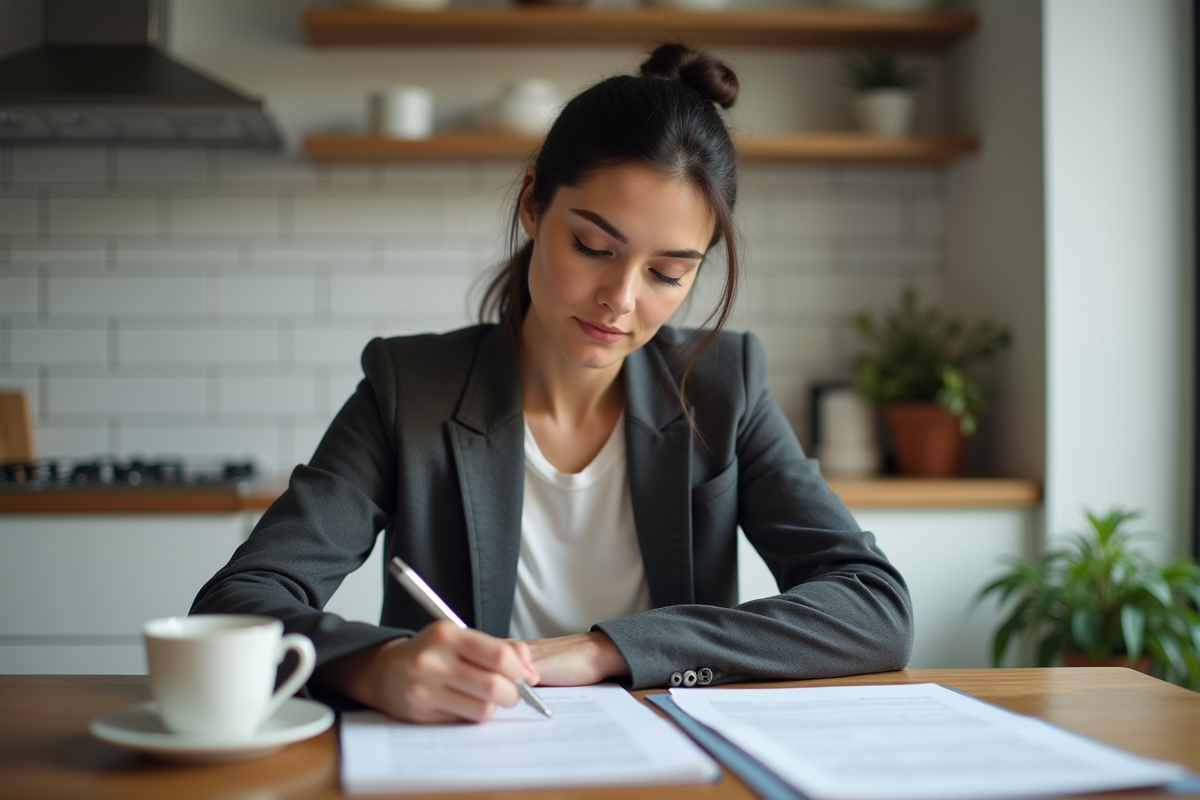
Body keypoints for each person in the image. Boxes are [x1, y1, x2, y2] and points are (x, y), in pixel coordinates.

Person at [192, 43, 913, 725]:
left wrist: (606, 648)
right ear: (533, 203)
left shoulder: (725, 387)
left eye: (668, 272)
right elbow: (237, 605)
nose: (622, 299)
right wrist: (377, 666)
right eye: (594, 247)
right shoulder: (408, 388)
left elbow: (875, 607)